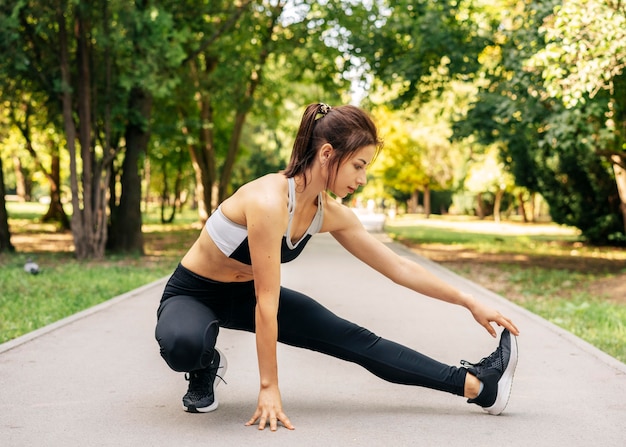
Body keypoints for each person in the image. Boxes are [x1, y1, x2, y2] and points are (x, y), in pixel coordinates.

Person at [155, 103, 520, 432]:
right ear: (327, 154)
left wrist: (468, 300)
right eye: (358, 165)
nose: (361, 179)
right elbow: (267, 303)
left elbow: (397, 266)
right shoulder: (268, 201)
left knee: (356, 341)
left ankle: (480, 386)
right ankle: (204, 365)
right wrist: (268, 388)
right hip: (194, 292)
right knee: (184, 344)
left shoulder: (329, 214)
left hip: (246, 294)